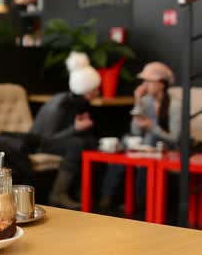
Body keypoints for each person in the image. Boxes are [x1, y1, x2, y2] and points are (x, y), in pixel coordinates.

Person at [100, 62, 180, 210]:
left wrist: (151, 127)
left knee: (150, 138)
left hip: (167, 147)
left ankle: (141, 202)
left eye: (149, 81)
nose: (144, 85)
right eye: (144, 81)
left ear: (162, 84)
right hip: (145, 145)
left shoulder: (175, 104)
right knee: (125, 141)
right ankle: (107, 195)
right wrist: (137, 100)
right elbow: (135, 131)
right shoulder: (145, 101)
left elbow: (175, 138)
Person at [30, 52, 100, 209]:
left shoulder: (80, 103)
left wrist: (76, 129)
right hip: (38, 143)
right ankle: (57, 194)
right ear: (87, 90)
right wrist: (74, 129)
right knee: (77, 143)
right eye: (96, 89)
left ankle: (84, 192)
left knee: (90, 141)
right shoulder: (60, 105)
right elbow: (47, 138)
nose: (98, 92)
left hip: (55, 141)